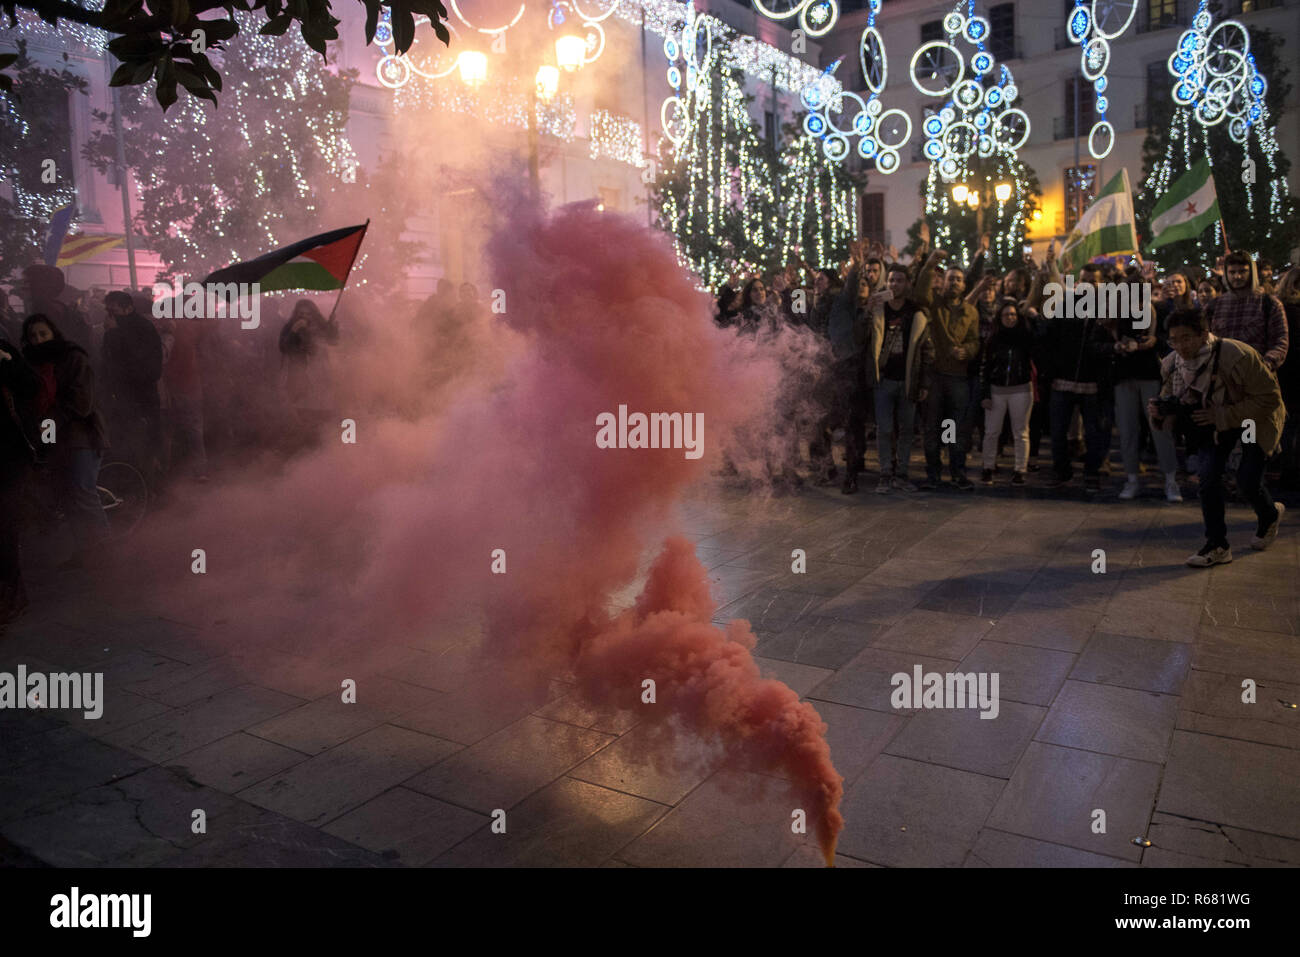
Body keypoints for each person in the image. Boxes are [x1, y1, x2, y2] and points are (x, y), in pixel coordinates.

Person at [1149, 310, 1285, 567]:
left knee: (1247, 480)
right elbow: (1169, 398)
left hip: (1251, 418)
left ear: (1203, 334)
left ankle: (1269, 515)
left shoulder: (1237, 354)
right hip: (1209, 424)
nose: (1180, 346)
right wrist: (1159, 413)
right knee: (1208, 479)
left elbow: (1270, 398)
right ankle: (1217, 544)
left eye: (1186, 338)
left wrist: (1223, 415)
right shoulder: (1172, 363)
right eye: (1174, 340)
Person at [21, 314, 110, 564]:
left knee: (82, 491)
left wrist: (48, 425)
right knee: (68, 496)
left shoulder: (73, 357)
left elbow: (81, 403)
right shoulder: (31, 364)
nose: (38, 340)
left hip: (81, 435)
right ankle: (85, 550)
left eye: (42, 334)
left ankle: (103, 551)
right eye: (32, 336)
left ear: (53, 333)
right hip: (55, 439)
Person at [1038, 263, 1114, 492]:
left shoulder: (1108, 310)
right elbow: (1048, 338)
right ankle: (1062, 472)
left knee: (1093, 432)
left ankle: (1091, 473)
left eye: (1093, 280)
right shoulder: (1065, 305)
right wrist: (1049, 371)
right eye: (1084, 279)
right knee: (1058, 431)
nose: (1088, 284)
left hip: (1093, 383)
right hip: (1062, 380)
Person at [915, 247, 980, 490]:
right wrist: (930, 264)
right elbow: (920, 292)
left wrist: (968, 351)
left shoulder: (971, 312)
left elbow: (975, 341)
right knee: (932, 427)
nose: (954, 282)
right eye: (951, 278)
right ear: (944, 283)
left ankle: (956, 471)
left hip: (957, 378)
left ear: (964, 286)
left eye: (959, 279)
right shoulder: (934, 304)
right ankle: (933, 473)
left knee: (951, 428)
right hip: (934, 377)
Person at [865, 264, 933, 492]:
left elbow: (926, 351)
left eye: (900, 280)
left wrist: (923, 383)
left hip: (908, 380)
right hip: (883, 380)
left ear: (908, 284)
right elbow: (861, 339)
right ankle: (885, 474)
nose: (894, 284)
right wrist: (867, 311)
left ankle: (901, 474)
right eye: (891, 280)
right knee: (884, 429)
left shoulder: (915, 313)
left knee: (906, 430)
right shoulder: (879, 309)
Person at [1110, 290, 1182, 502]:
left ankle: (1170, 479)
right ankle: (1131, 479)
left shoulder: (1157, 311)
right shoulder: (1116, 313)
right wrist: (1117, 346)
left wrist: (1154, 341)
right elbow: (1103, 338)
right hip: (1124, 376)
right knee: (1127, 429)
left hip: (1150, 374)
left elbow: (1169, 339)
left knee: (1159, 427)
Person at [101, 289, 163, 477]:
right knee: (127, 443)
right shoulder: (114, 329)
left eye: (115, 312)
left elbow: (139, 359)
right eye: (108, 312)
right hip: (121, 397)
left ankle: (152, 483)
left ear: (128, 309)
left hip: (142, 396)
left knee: (145, 442)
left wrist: (114, 334)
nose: (111, 316)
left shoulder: (143, 328)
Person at [0, 331, 40, 622]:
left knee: (4, 530)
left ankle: (12, 598)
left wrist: (7, 363)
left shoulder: (2, 350)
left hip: (6, 457)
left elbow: (31, 387)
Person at [978, 298, 1034, 486]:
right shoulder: (993, 340)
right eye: (1006, 315)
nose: (1010, 318)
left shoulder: (1026, 338)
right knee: (992, 431)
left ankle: (1020, 469)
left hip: (1021, 388)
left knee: (1021, 432)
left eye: (1013, 314)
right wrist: (985, 393)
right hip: (997, 389)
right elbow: (985, 367)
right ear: (999, 318)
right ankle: (988, 466)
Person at [1205, 251, 1288, 373]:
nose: (1237, 276)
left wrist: (1264, 366)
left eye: (1242, 271)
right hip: (1222, 377)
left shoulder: (1269, 303)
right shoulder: (1214, 306)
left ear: (1252, 273)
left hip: (1258, 377)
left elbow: (1280, 341)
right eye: (1232, 272)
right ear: (1226, 274)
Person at [278, 299, 339, 445]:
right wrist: (294, 331)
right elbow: (284, 348)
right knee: (305, 413)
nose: (305, 316)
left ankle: (323, 446)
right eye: (301, 313)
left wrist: (332, 327)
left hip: (321, 375)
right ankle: (307, 447)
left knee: (324, 413)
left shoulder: (321, 326)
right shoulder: (291, 327)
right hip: (301, 376)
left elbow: (333, 341)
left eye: (308, 313)